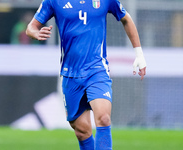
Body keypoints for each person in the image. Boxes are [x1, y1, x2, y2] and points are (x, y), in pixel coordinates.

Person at [26, 0, 146, 149]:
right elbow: (31, 27)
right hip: (70, 74)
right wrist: (35, 33)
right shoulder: (53, 1)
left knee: (103, 118)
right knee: (82, 131)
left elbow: (126, 18)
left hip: (97, 70)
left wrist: (139, 54)